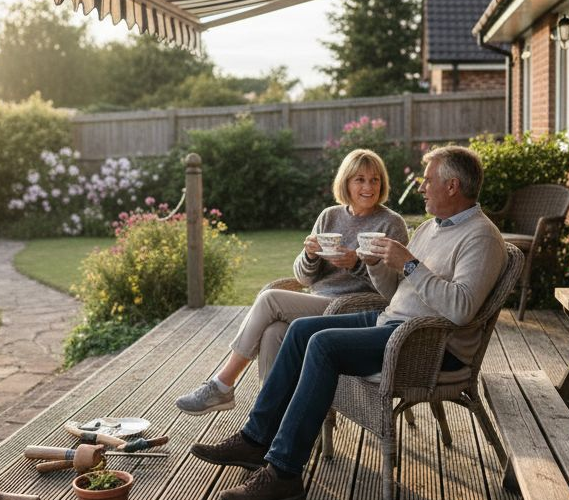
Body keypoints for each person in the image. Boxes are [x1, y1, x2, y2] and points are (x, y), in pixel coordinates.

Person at [189, 145, 506, 500]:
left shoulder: (481, 237)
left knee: (323, 345)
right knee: (301, 330)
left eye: (428, 180)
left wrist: (409, 265)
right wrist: (374, 264)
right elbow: (395, 293)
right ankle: (255, 438)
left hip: (429, 345)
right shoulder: (432, 228)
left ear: (452, 186)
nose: (421, 187)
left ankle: (284, 473)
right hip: (393, 322)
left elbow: (462, 309)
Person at [175, 148, 409, 415]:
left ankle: (222, 385)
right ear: (346, 182)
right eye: (360, 179)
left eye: (375, 180)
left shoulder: (391, 224)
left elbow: (393, 289)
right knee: (274, 331)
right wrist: (310, 255)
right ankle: (270, 416)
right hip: (318, 300)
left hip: (356, 311)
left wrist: (356, 265)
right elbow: (303, 277)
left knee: (270, 298)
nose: (368, 187)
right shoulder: (329, 216)